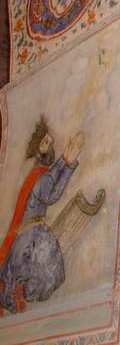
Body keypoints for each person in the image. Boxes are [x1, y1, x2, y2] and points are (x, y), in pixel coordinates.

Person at [0, 117, 84, 314]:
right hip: (33, 235)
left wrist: (65, 160)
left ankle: (19, 290)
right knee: (51, 265)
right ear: (40, 147)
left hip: (23, 234)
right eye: (45, 142)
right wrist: (69, 165)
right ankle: (22, 292)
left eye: (49, 142)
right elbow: (52, 195)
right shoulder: (41, 176)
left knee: (30, 267)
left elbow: (49, 174)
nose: (49, 144)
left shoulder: (35, 173)